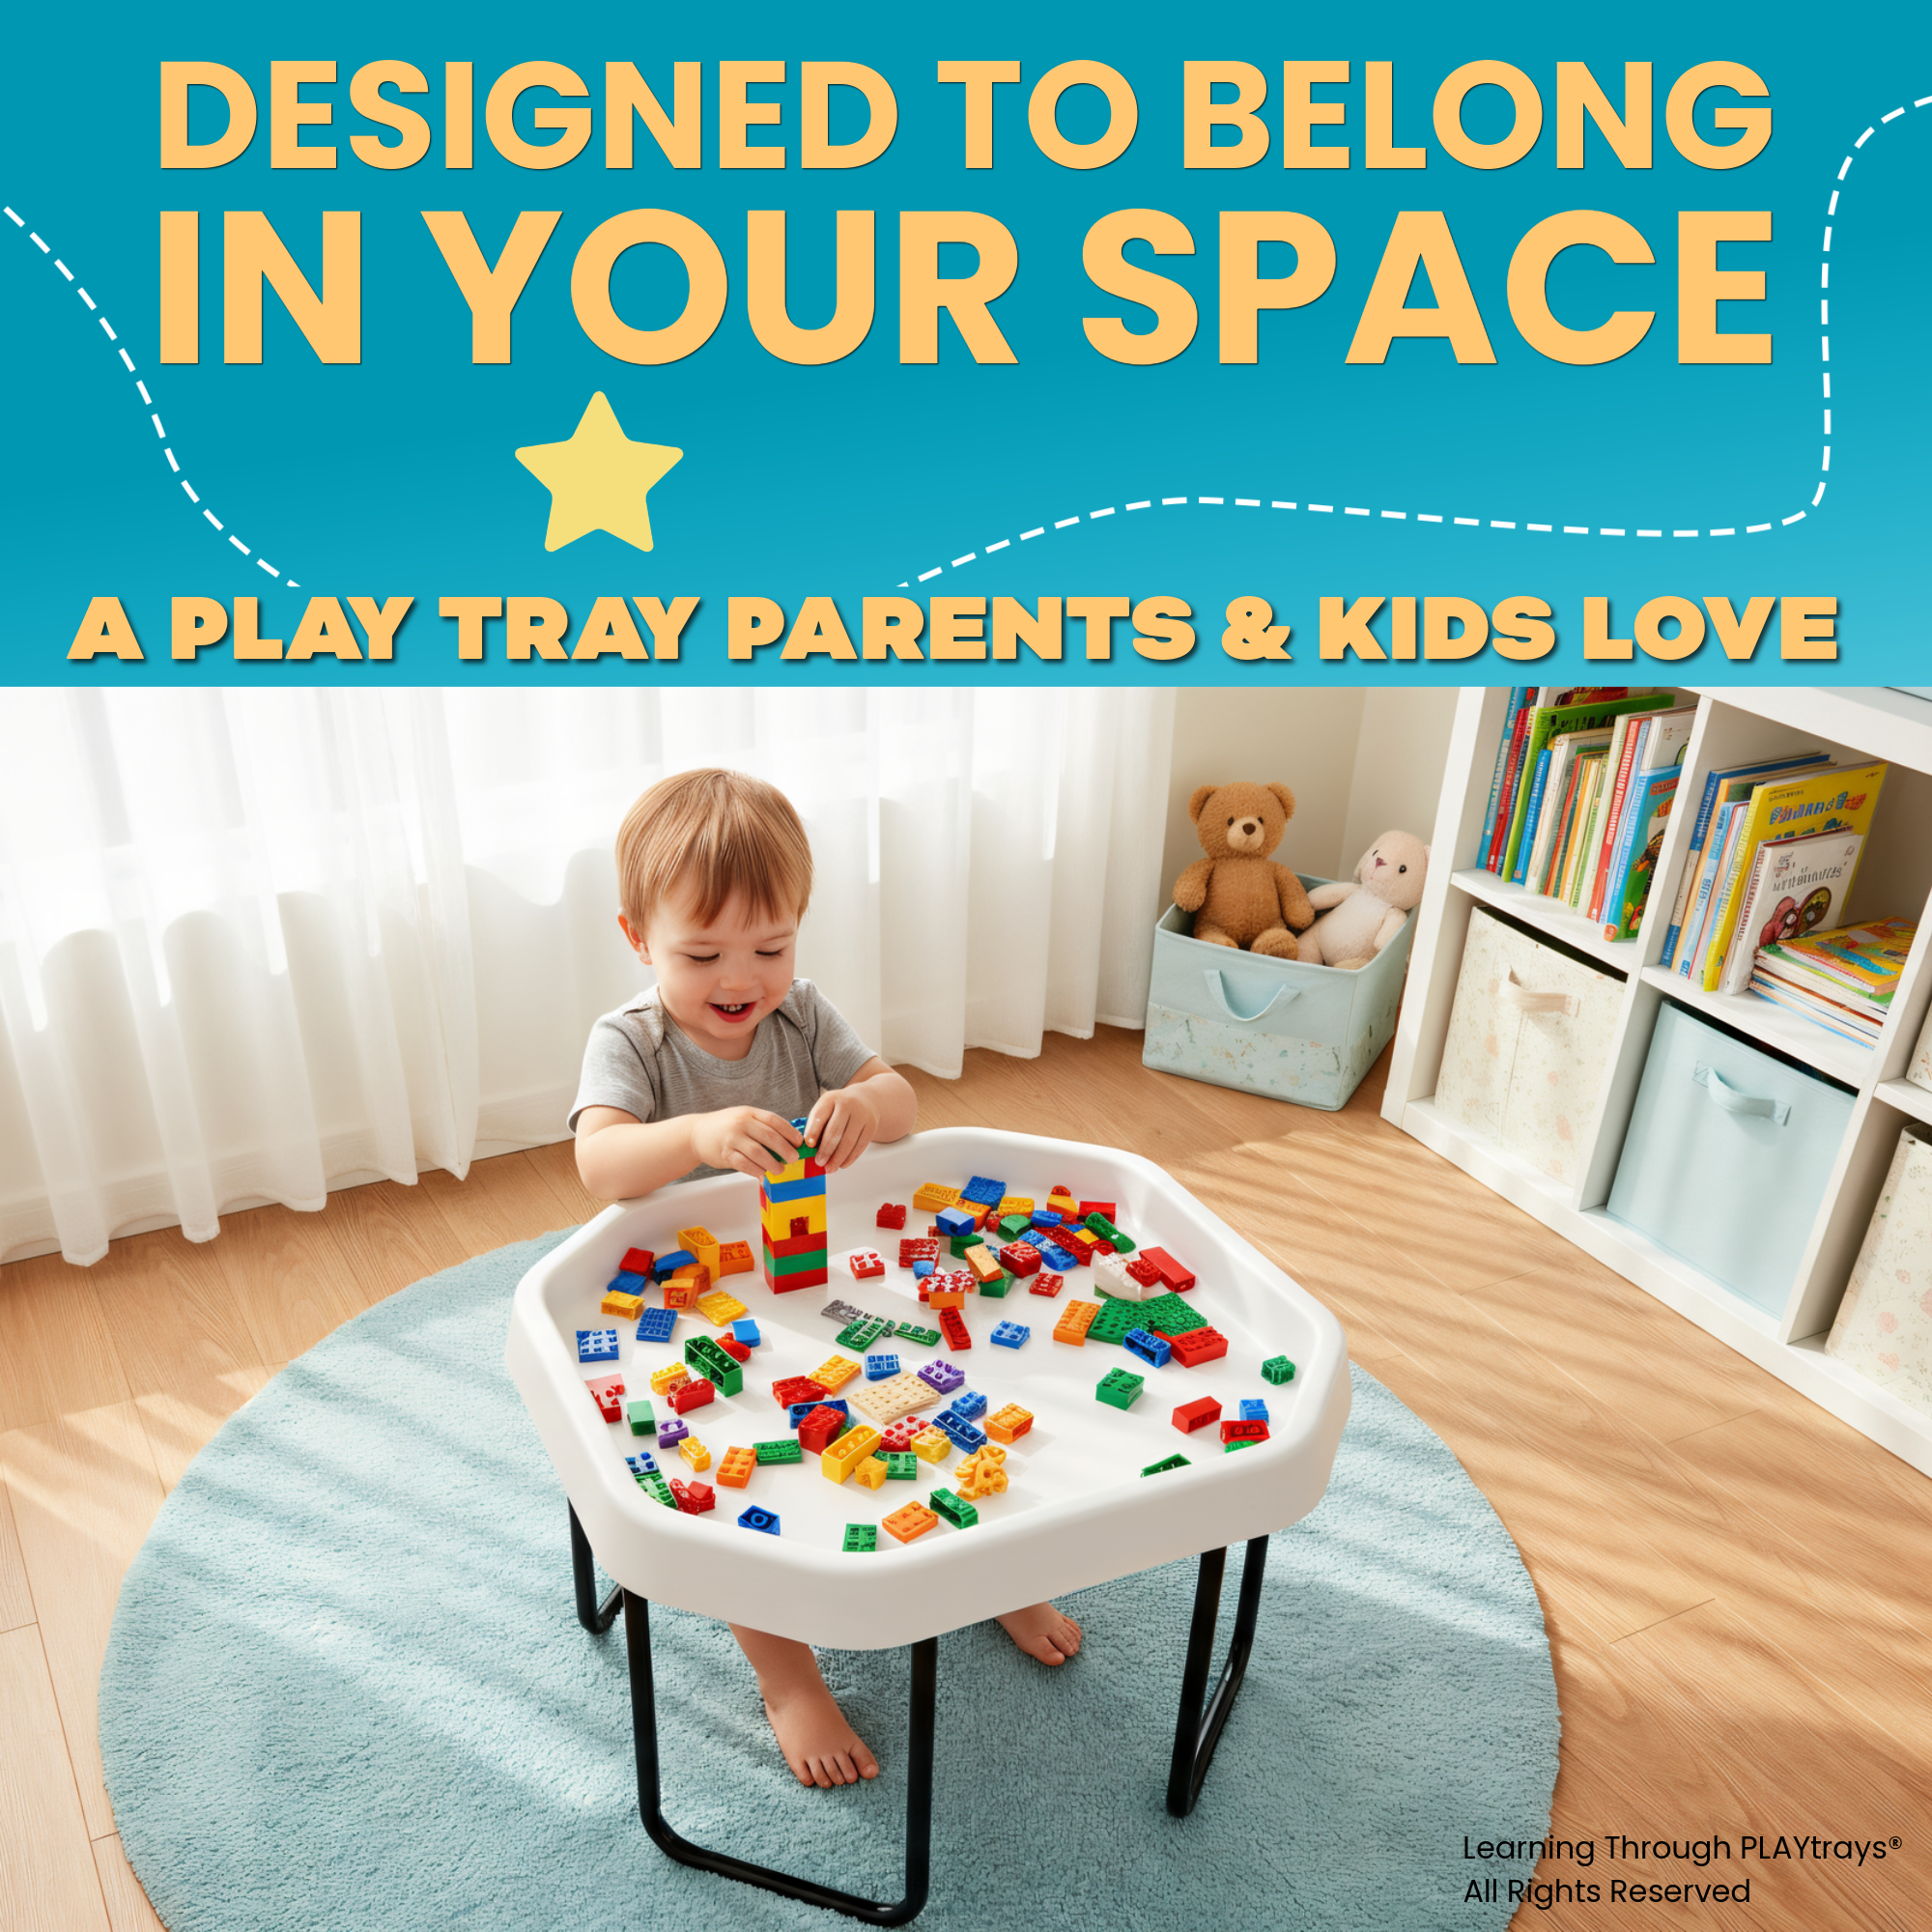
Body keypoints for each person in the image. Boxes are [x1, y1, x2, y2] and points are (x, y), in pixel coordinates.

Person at [572, 768, 1083, 1790]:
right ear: (638, 938)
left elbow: (893, 1093)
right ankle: (786, 1672)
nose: (740, 976)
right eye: (702, 952)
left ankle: (985, 1573)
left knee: (944, 1393)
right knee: (728, 1482)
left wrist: (868, 1108)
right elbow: (599, 1163)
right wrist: (698, 1133)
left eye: (770, 947)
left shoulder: (802, 1017)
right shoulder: (630, 1038)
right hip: (694, 1295)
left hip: (813, 1276)